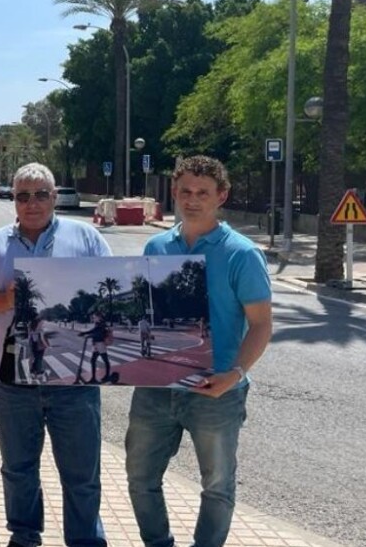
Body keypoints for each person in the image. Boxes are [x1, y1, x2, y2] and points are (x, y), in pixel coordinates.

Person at [125, 155, 273, 547]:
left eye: (203, 193)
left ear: (221, 195)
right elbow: (143, 312)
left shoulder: (241, 254)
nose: (193, 200)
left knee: (218, 485)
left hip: (216, 389)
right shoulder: (157, 245)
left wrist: (235, 375)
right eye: (186, 191)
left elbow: (261, 324)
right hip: (156, 386)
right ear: (174, 191)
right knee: (140, 477)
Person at [0, 162, 112, 547]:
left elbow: (111, 294)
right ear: (13, 200)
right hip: (13, 383)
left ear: (54, 196)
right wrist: (6, 298)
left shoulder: (86, 239)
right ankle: (25, 536)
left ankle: (85, 540)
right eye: (23, 196)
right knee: (18, 470)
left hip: (74, 383)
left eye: (40, 194)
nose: (32, 203)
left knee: (81, 473)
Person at [79, 313, 113, 384]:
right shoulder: (97, 324)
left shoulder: (102, 324)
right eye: (94, 317)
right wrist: (85, 333)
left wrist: (86, 334)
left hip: (100, 344)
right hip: (96, 345)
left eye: (95, 317)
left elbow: (97, 333)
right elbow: (93, 331)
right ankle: (94, 378)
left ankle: (107, 376)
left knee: (105, 359)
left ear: (99, 317)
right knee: (93, 360)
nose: (94, 318)